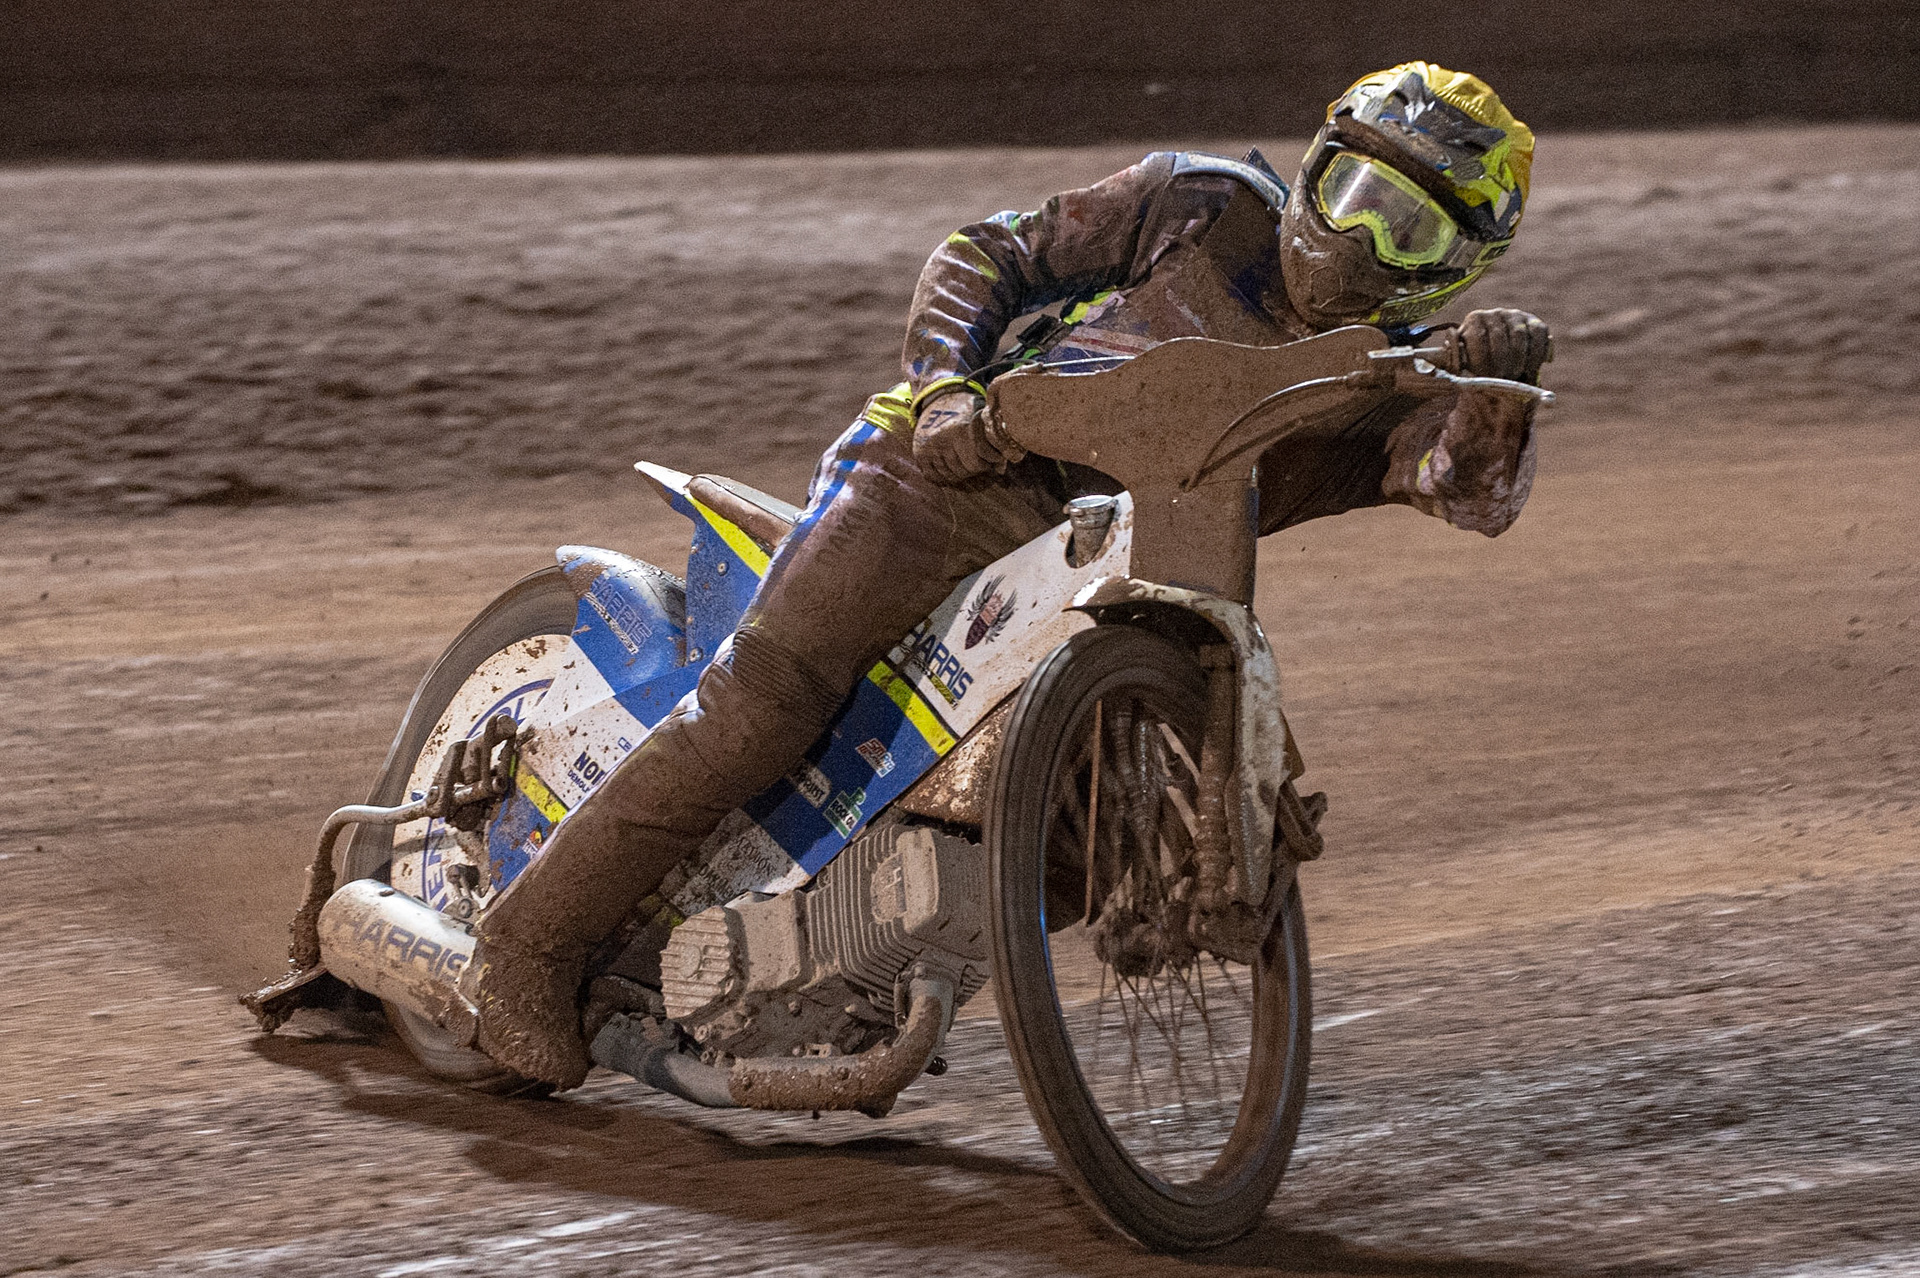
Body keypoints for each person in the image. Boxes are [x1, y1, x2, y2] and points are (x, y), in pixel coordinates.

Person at [466, 62, 1554, 1088]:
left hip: (1128, 575)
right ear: (1315, 166)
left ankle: (847, 968)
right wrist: (944, 390)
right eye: (1355, 190)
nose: (1361, 233)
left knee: (1087, 847)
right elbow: (988, 253)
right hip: (954, 479)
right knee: (763, 705)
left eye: (1407, 226)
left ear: (1457, 265)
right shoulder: (1201, 204)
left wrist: (1498, 393)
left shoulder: (1396, 385)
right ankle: (523, 949)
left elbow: (1466, 490)